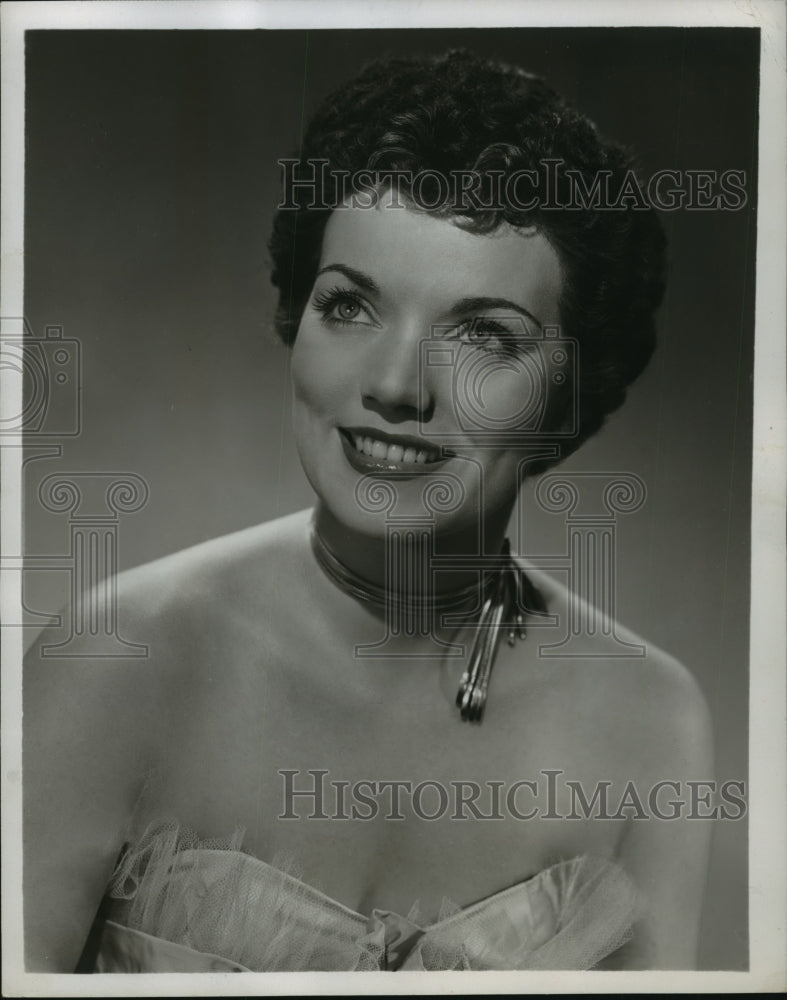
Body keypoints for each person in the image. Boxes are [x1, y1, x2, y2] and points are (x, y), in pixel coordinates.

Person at [23, 48, 713, 972]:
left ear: (568, 397)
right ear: (295, 316)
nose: (394, 385)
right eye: (350, 306)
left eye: (483, 335)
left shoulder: (649, 719)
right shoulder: (116, 655)